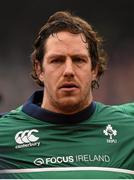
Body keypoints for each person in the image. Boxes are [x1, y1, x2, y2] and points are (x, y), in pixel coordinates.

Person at [0, 11, 134, 179]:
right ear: (39, 69)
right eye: (57, 60)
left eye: (79, 60)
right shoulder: (4, 135)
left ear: (94, 69)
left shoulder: (129, 129)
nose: (68, 71)